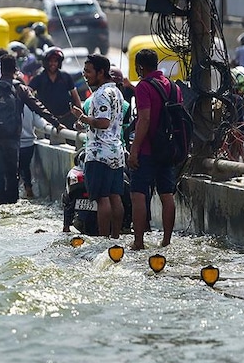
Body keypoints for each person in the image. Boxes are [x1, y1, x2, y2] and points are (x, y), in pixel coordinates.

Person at [0, 55, 63, 205]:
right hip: (12, 139)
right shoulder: (20, 88)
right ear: (15, 70)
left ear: (1, 70)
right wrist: (56, 123)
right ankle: (11, 206)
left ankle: (0, 206)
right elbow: (38, 107)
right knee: (11, 174)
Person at [126, 49, 179, 250]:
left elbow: (145, 119)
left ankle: (139, 242)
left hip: (147, 150)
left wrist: (134, 150)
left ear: (140, 67)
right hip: (168, 150)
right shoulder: (173, 87)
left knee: (138, 193)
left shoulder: (143, 87)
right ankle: (166, 241)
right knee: (167, 194)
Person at [71, 54, 125, 238]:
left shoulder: (101, 94)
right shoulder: (117, 91)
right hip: (116, 153)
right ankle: (115, 237)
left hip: (99, 154)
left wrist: (82, 117)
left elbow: (103, 122)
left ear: (101, 72)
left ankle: (103, 240)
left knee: (102, 198)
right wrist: (86, 122)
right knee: (115, 196)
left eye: (88, 71)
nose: (85, 75)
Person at [28, 46, 82, 128]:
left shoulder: (65, 77)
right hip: (47, 120)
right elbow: (28, 92)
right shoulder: (39, 78)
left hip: (67, 117)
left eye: (55, 61)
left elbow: (75, 96)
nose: (53, 64)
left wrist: (80, 117)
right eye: (50, 61)